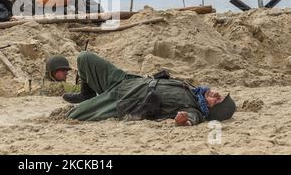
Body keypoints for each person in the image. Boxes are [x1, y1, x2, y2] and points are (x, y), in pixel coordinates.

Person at [63, 52, 236, 125]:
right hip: (126, 80)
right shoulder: (194, 90)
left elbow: (190, 119)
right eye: (219, 95)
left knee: (73, 115)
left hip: (125, 98)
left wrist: (183, 121)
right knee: (85, 58)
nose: (216, 93)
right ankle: (86, 94)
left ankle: (91, 102)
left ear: (213, 109)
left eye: (218, 99)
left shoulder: (195, 110)